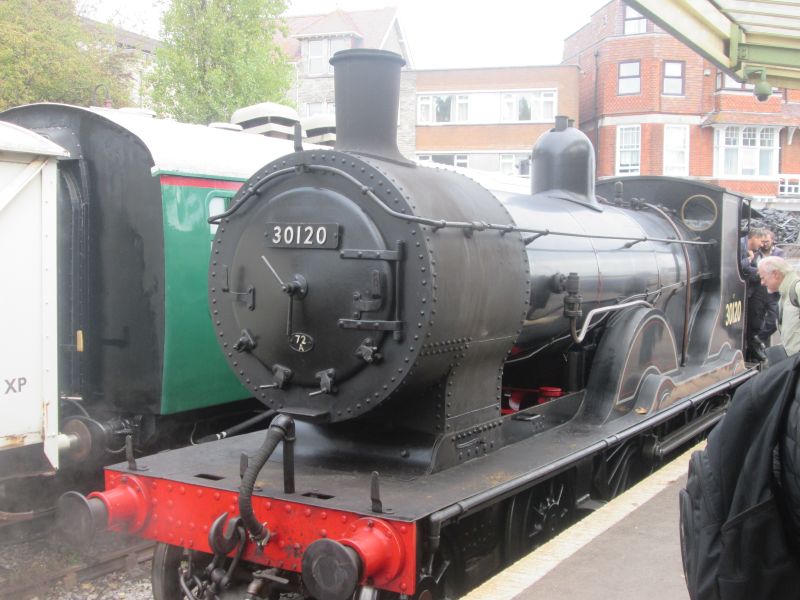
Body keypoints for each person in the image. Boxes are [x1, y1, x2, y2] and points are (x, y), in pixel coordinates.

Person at [758, 256, 800, 356]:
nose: (762, 283)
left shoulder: (797, 289)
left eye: (763, 278)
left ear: (775, 274)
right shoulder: (785, 294)